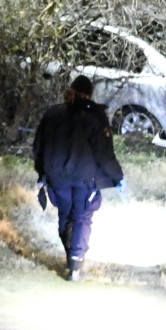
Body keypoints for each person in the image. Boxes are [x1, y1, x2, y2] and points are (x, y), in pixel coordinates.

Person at [32, 75, 124, 281]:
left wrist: (42, 173)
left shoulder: (52, 113)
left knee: (65, 214)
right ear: (89, 95)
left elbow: (38, 147)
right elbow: (104, 153)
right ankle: (76, 263)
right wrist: (117, 177)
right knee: (82, 217)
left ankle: (70, 259)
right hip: (84, 177)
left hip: (56, 176)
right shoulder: (95, 116)